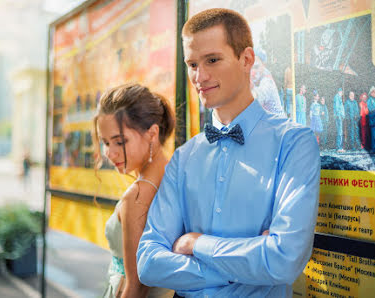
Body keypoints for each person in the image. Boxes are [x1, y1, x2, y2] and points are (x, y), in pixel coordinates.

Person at [137, 8, 320, 297]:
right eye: (192, 63)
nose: (200, 76)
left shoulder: (294, 143)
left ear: (246, 59)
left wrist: (196, 244)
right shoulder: (184, 157)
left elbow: (284, 260)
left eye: (212, 60)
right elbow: (148, 263)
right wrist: (248, 269)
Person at [93, 83, 175, 298]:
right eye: (105, 142)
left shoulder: (137, 196)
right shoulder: (176, 174)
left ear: (152, 133)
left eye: (120, 142)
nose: (110, 153)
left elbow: (137, 286)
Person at [367, 86, 375, 153]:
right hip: (373, 120)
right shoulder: (369, 100)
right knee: (374, 135)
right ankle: (374, 148)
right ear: (371, 93)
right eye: (374, 92)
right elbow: (370, 109)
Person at [333, 88, 345, 152]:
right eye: (341, 92)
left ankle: (339, 147)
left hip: (339, 116)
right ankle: (339, 147)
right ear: (339, 92)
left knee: (339, 132)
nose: (342, 94)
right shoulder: (337, 97)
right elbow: (337, 107)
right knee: (340, 132)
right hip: (338, 117)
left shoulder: (338, 97)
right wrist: (340, 115)